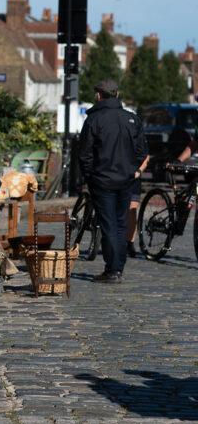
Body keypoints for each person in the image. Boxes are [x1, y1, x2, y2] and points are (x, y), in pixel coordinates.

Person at [78, 79, 147, 283]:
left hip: (103, 180)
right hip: (126, 179)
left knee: (108, 224)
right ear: (116, 95)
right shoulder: (132, 119)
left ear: (99, 95)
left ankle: (112, 270)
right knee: (120, 224)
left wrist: (89, 177)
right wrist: (132, 170)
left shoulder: (94, 120)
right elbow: (142, 151)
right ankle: (118, 267)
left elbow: (84, 155)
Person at [126, 154, 150, 258]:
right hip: (114, 172)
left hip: (133, 174)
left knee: (132, 209)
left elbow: (146, 156)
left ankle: (129, 242)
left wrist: (139, 171)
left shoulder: (138, 137)